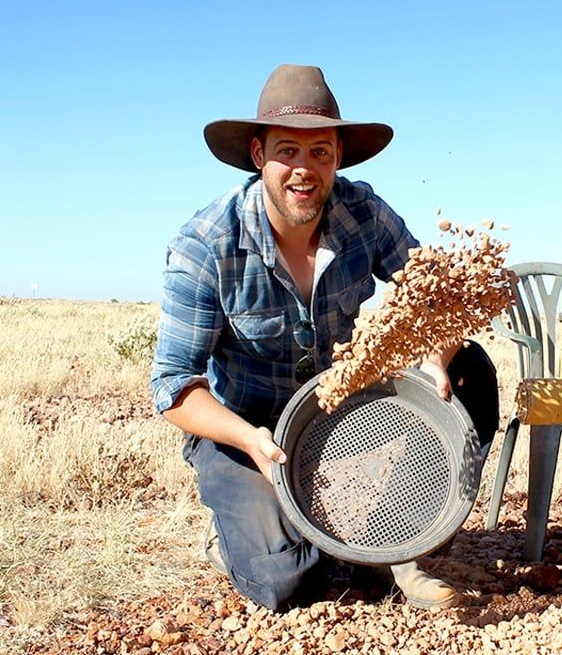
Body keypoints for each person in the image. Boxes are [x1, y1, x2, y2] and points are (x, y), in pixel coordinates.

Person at [151, 64, 498, 611]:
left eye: (320, 153)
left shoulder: (363, 213)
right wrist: (250, 442)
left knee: (468, 370)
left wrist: (435, 359)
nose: (304, 170)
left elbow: (440, 297)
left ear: (338, 157)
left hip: (339, 415)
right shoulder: (207, 245)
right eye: (288, 151)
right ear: (259, 155)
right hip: (247, 429)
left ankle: (400, 546)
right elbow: (173, 385)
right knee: (291, 581)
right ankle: (239, 539)